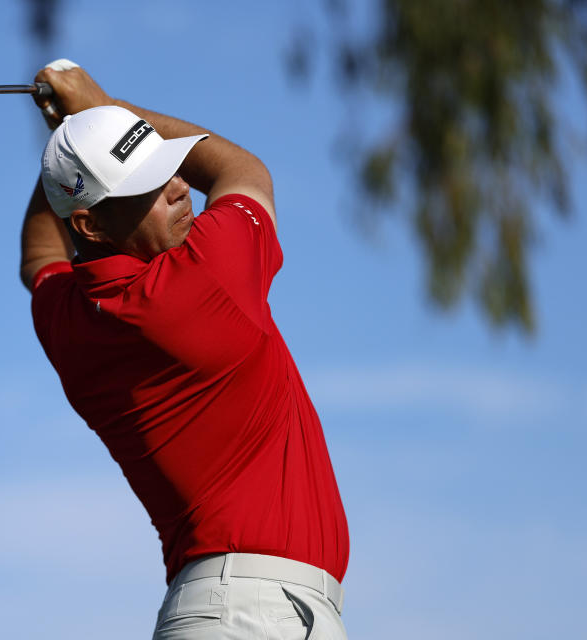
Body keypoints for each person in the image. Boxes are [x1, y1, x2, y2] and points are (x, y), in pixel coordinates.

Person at [20, 59, 350, 639]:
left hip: (230, 608)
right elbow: (243, 171)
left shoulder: (65, 317)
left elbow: (40, 261)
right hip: (252, 613)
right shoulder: (205, 275)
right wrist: (100, 108)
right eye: (148, 186)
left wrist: (74, 145)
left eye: (170, 168)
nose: (178, 188)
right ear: (91, 226)